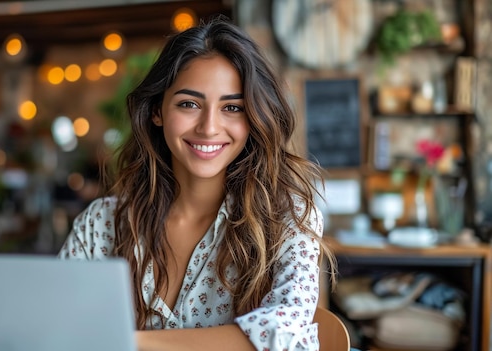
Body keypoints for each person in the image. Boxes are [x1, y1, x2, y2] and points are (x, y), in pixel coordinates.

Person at [58, 17, 334, 351]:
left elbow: (283, 332)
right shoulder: (100, 225)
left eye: (232, 107)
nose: (209, 127)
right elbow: (60, 326)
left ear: (254, 119)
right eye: (189, 104)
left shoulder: (288, 218)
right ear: (157, 110)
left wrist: (128, 341)